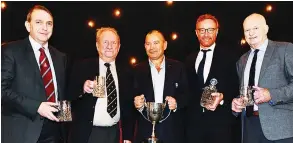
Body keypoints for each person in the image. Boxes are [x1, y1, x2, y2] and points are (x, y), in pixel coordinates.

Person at [1, 5, 67, 143]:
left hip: (55, 133)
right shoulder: (10, 51)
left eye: (49, 23)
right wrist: (37, 107)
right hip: (23, 132)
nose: (45, 27)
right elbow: (2, 90)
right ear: (27, 25)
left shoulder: (60, 57)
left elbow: (61, 92)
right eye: (39, 22)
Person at [232, 13, 293, 143]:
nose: (251, 33)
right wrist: (237, 103)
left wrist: (271, 94)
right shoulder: (241, 60)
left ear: (266, 29)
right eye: (247, 30)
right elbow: (244, 91)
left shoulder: (285, 49)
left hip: (280, 130)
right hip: (250, 129)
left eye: (255, 28)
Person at [67, 27, 134, 143]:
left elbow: (128, 107)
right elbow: (67, 94)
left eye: (114, 43)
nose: (109, 46)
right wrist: (82, 87)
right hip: (87, 134)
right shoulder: (83, 66)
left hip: (114, 134)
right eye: (105, 42)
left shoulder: (126, 72)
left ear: (118, 47)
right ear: (97, 45)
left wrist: (128, 137)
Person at [185, 14, 239, 143]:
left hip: (220, 125)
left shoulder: (230, 57)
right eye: (202, 30)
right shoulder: (189, 59)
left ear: (217, 31)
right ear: (196, 33)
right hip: (193, 126)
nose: (206, 34)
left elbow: (235, 86)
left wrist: (222, 97)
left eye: (210, 30)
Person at [130, 30, 189, 143]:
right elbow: (129, 101)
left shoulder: (179, 67)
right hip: (145, 132)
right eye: (148, 44)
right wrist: (136, 103)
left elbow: (187, 94)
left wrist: (176, 103)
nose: (152, 47)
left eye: (156, 43)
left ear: (165, 45)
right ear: (144, 46)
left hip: (172, 131)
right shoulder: (137, 70)